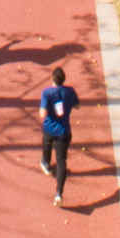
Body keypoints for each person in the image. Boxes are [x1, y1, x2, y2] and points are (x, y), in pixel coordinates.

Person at [39, 66, 80, 206]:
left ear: (52, 78)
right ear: (64, 80)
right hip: (64, 132)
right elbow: (77, 106)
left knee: (46, 147)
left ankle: (45, 163)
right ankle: (59, 194)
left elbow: (42, 114)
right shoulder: (70, 91)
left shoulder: (47, 93)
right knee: (61, 161)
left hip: (49, 129)